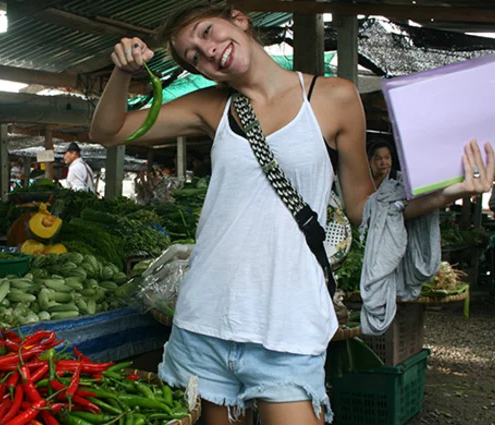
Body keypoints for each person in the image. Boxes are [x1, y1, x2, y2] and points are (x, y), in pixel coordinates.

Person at [88, 5, 495, 424]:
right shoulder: (212, 107)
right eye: (195, 56)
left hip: (288, 322)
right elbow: (107, 131)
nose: (209, 51)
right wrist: (123, 73)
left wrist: (448, 193)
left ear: (238, 19)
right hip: (205, 318)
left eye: (208, 32)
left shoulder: (334, 97)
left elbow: (363, 209)